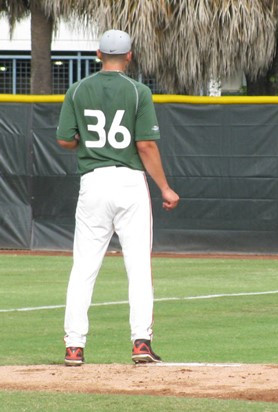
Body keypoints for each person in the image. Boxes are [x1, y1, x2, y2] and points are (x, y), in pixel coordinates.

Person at [56, 29, 180, 366]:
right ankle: (141, 342)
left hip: (93, 181)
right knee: (138, 266)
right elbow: (145, 145)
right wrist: (165, 188)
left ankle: (74, 347)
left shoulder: (77, 89)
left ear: (98, 54)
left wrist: (86, 140)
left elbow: (65, 140)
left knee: (84, 267)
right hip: (129, 182)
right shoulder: (138, 91)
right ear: (129, 55)